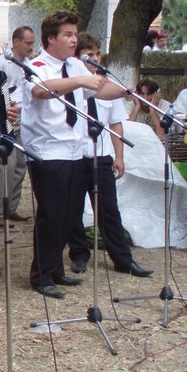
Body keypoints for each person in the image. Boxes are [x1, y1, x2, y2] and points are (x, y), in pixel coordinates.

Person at [21, 10, 123, 299]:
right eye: (67, 35)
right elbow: (42, 90)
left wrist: (124, 92)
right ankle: (41, 275)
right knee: (51, 215)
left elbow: (98, 91)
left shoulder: (76, 65)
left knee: (69, 215)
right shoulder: (36, 65)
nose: (73, 40)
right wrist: (81, 81)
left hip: (75, 152)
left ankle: (55, 269)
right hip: (48, 152)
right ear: (51, 38)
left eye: (75, 35)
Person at [66, 33, 153, 278]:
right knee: (73, 209)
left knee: (109, 210)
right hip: (76, 154)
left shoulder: (108, 86)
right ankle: (79, 253)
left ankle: (123, 259)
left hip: (101, 154)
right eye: (89, 55)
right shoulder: (72, 84)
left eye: (97, 54)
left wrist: (119, 156)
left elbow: (116, 122)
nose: (95, 59)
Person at [0, 26, 35, 228]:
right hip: (6, 118)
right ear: (16, 41)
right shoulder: (0, 63)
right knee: (7, 165)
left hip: (25, 118)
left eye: (33, 43)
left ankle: (12, 208)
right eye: (28, 43)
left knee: (20, 165)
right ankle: (0, 212)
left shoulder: (28, 64)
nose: (31, 47)